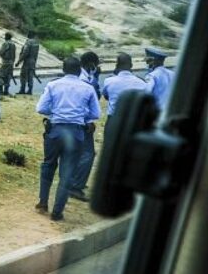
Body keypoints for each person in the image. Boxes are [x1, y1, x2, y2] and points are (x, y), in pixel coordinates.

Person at [35, 57, 100, 221]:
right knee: (67, 172)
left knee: (48, 164)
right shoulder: (87, 88)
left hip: (55, 130)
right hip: (76, 133)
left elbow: (41, 108)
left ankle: (43, 202)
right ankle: (57, 211)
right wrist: (80, 114)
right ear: (79, 70)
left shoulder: (52, 85)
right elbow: (95, 114)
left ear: (63, 70)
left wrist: (56, 111)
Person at [70, 51, 102, 201]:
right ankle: (75, 186)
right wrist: (88, 121)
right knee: (88, 153)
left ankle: (75, 180)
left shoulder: (85, 76)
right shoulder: (86, 80)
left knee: (79, 152)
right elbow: (86, 103)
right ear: (91, 64)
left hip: (75, 121)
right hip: (82, 122)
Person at [102, 52, 147, 120]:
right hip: (134, 121)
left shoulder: (108, 81)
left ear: (117, 65)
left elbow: (106, 97)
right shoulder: (142, 83)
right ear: (131, 65)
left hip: (114, 121)